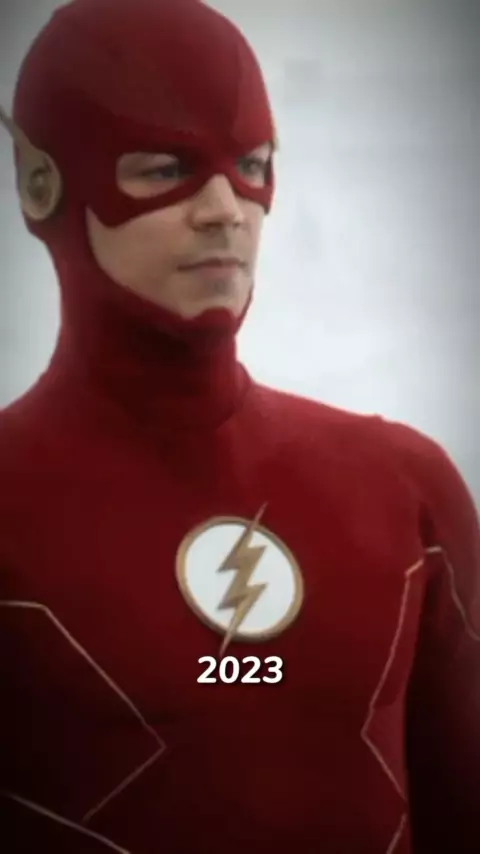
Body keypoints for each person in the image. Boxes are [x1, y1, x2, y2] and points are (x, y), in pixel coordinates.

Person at [0, 0, 478, 851]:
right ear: (45, 185)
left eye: (252, 165)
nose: (226, 208)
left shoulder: (408, 491)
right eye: (164, 168)